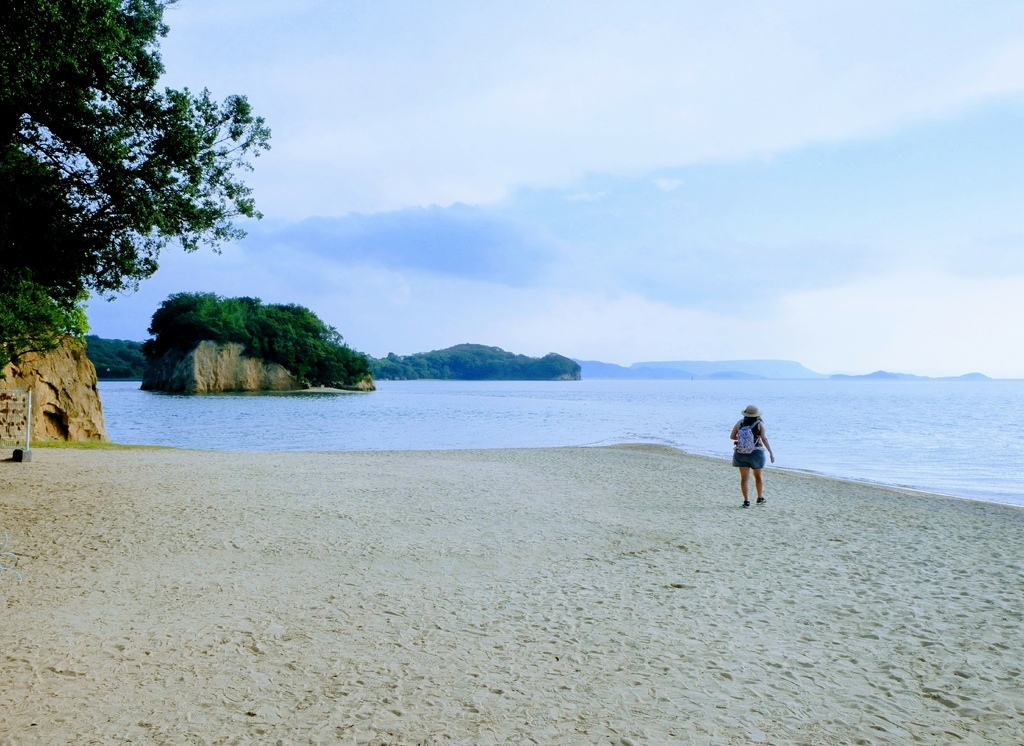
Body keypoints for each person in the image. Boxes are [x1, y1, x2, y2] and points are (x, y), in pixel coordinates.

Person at [730, 404, 775, 508]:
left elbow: (732, 437)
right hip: (756, 453)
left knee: (744, 478)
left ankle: (746, 502)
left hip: (741, 452)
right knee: (758, 476)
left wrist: (743, 440)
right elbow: (764, 439)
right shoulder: (760, 424)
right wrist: (771, 453)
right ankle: (759, 498)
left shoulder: (739, 423)